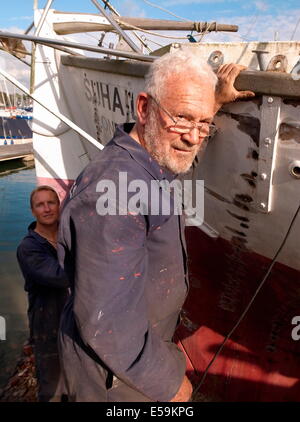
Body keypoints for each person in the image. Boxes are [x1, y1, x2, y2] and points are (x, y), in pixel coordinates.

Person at [57, 48, 255, 402]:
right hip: (114, 377)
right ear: (144, 108)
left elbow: (175, 153)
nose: (194, 137)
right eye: (181, 117)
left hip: (129, 358)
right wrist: (167, 384)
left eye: (204, 123)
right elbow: (107, 321)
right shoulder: (115, 191)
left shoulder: (145, 160)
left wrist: (210, 105)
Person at [17, 185, 69, 402]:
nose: (47, 209)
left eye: (51, 202)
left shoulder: (67, 238)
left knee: (77, 378)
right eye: (40, 205)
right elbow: (60, 276)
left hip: (73, 318)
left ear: (59, 206)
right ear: (33, 211)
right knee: (52, 387)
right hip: (46, 324)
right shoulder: (29, 248)